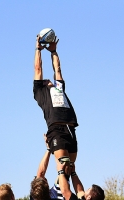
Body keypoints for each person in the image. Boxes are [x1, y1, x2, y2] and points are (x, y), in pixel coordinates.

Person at [33, 35, 78, 172]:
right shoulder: (40, 92)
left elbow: (57, 69)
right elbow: (38, 69)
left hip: (70, 129)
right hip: (56, 130)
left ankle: (69, 192)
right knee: (63, 167)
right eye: (45, 80)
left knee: (70, 169)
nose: (48, 80)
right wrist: (38, 49)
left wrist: (53, 51)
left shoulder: (59, 88)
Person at [30, 135, 105, 200]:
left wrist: (61, 171)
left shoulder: (37, 196)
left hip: (61, 192)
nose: (86, 190)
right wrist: (72, 173)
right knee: (66, 163)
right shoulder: (44, 195)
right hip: (60, 193)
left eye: (88, 189)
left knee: (65, 163)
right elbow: (79, 192)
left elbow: (66, 191)